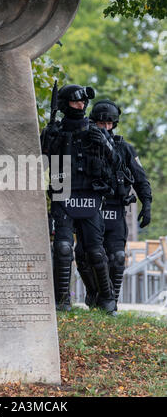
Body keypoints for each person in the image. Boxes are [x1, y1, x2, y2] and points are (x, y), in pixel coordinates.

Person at [41, 85, 122, 314]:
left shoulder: (95, 130)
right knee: (63, 248)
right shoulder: (54, 130)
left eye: (83, 102)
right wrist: (49, 140)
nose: (81, 105)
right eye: (76, 102)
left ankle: (107, 300)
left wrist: (105, 142)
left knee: (95, 251)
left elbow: (116, 162)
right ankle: (62, 301)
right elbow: (40, 163)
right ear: (65, 104)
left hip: (90, 195)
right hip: (63, 193)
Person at [75, 99, 152, 311]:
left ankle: (111, 304)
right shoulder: (83, 144)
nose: (106, 128)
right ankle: (94, 293)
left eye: (109, 124)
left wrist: (147, 204)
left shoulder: (124, 148)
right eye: (101, 124)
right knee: (83, 256)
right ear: (93, 123)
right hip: (90, 208)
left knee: (117, 257)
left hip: (115, 208)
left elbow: (140, 178)